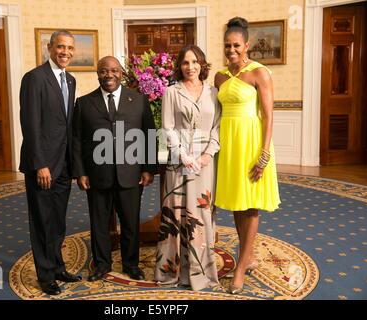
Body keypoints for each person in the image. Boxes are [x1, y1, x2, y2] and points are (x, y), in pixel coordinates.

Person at [72, 56, 157, 282]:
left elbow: (149, 135)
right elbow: (77, 140)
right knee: (99, 223)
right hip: (97, 176)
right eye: (103, 71)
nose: (108, 75)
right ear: (97, 73)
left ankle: (131, 265)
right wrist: (80, 172)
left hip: (130, 175)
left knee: (130, 223)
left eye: (113, 70)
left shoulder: (138, 100)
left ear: (121, 73)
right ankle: (101, 264)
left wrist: (148, 168)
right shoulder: (83, 103)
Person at [214, 17, 281, 294]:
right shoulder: (219, 76)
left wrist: (264, 154)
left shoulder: (259, 72)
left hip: (252, 144)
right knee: (236, 203)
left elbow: (268, 115)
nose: (231, 50)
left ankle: (241, 265)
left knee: (250, 204)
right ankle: (248, 256)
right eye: (227, 45)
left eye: (236, 45)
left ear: (247, 45)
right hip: (229, 145)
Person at [154, 45, 221, 291]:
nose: (190, 67)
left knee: (201, 215)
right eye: (185, 62)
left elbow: (216, 128)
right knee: (177, 215)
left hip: (205, 164)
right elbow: (168, 127)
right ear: (179, 66)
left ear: (202, 64)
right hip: (178, 161)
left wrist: (207, 155)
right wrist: (183, 155)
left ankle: (200, 273)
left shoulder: (213, 92)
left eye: (195, 62)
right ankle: (171, 272)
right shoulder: (171, 92)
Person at [19, 30, 81, 296]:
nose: (65, 52)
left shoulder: (71, 79)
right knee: (43, 221)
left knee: (58, 221)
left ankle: (57, 267)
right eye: (60, 47)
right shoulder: (34, 78)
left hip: (64, 164)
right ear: (49, 48)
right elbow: (30, 124)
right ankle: (45, 275)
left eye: (69, 48)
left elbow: (66, 125)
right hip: (43, 165)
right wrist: (40, 164)